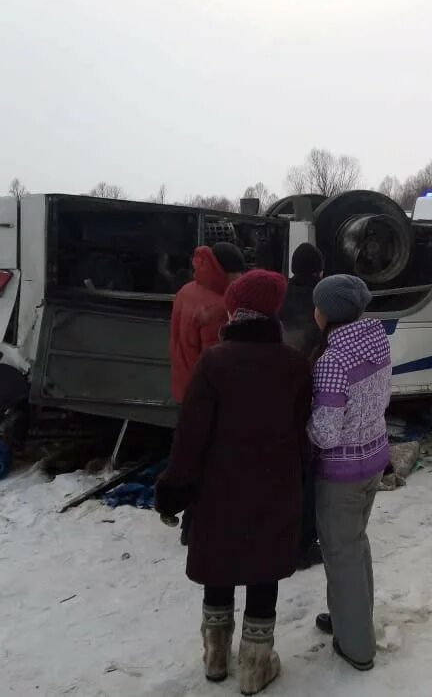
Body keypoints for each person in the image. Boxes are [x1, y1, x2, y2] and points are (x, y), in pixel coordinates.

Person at [155, 270, 312, 694]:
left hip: (217, 488)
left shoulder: (214, 362)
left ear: (234, 309)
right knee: (264, 573)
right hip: (275, 487)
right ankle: (256, 668)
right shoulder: (295, 365)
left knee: (219, 567)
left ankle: (216, 657)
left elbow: (190, 436)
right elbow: (303, 434)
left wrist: (173, 489)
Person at [308, 275, 391, 672]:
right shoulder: (377, 341)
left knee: (342, 554)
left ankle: (357, 646)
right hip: (373, 458)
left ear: (327, 314)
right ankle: (349, 616)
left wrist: (297, 424)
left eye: (318, 306)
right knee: (355, 545)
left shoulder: (332, 362)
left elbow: (324, 433)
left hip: (340, 473)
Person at [278, 242, 326, 570]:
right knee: (306, 473)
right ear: (319, 269)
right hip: (310, 393)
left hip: (275, 391)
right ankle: (303, 544)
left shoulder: (278, 296)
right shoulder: (322, 300)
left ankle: (277, 534)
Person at [169, 242, 246, 404]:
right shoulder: (219, 307)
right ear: (224, 272)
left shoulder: (185, 291)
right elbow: (217, 363)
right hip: (206, 396)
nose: (240, 279)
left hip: (183, 384)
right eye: (237, 274)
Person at [280, 243, 325, 357]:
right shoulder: (324, 295)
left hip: (285, 358)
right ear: (319, 270)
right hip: (317, 360)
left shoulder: (281, 292)